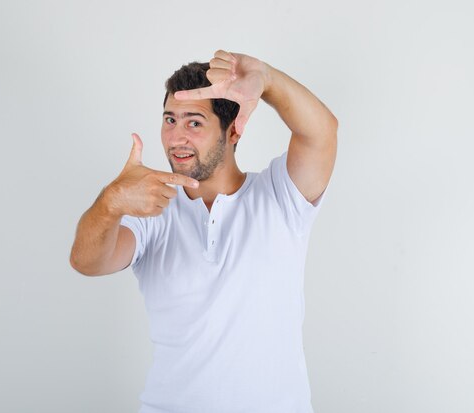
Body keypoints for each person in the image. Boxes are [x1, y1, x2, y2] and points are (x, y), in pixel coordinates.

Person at [70, 49, 338, 413]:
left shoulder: (280, 196)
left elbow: (321, 132)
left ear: (233, 130)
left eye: (194, 122)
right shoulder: (151, 210)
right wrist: (111, 202)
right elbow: (87, 261)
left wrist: (268, 80)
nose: (176, 137)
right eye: (170, 120)